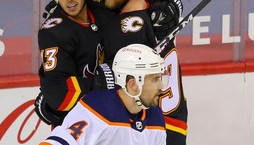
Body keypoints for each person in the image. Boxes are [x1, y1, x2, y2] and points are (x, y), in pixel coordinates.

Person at [97, 0, 188, 145]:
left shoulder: (124, 30)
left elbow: (117, 92)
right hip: (172, 123)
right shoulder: (153, 13)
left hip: (149, 128)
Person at [34, 0, 115, 126]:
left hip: (115, 118)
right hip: (77, 127)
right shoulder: (53, 33)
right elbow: (59, 94)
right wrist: (103, 84)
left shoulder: (103, 8)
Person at [39, 44, 168, 145]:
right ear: (133, 84)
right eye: (155, 79)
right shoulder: (98, 109)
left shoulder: (155, 117)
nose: (161, 86)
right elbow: (60, 142)